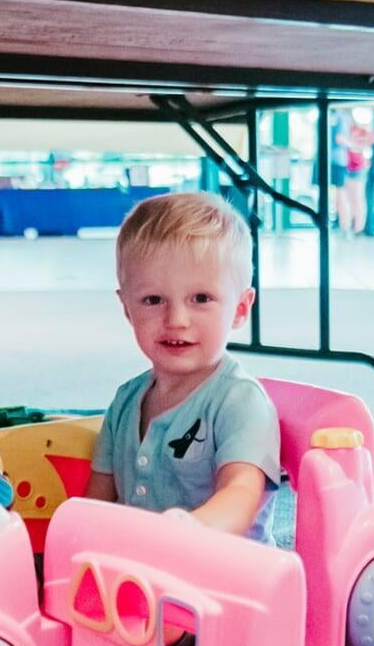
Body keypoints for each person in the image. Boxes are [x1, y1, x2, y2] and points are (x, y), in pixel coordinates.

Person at [85, 193, 282, 543]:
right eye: (153, 300)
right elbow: (97, 501)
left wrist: (187, 531)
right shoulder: (126, 400)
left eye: (201, 299)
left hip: (225, 570)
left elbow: (241, 493)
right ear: (127, 308)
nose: (176, 320)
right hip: (139, 567)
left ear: (240, 309)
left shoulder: (240, 401)